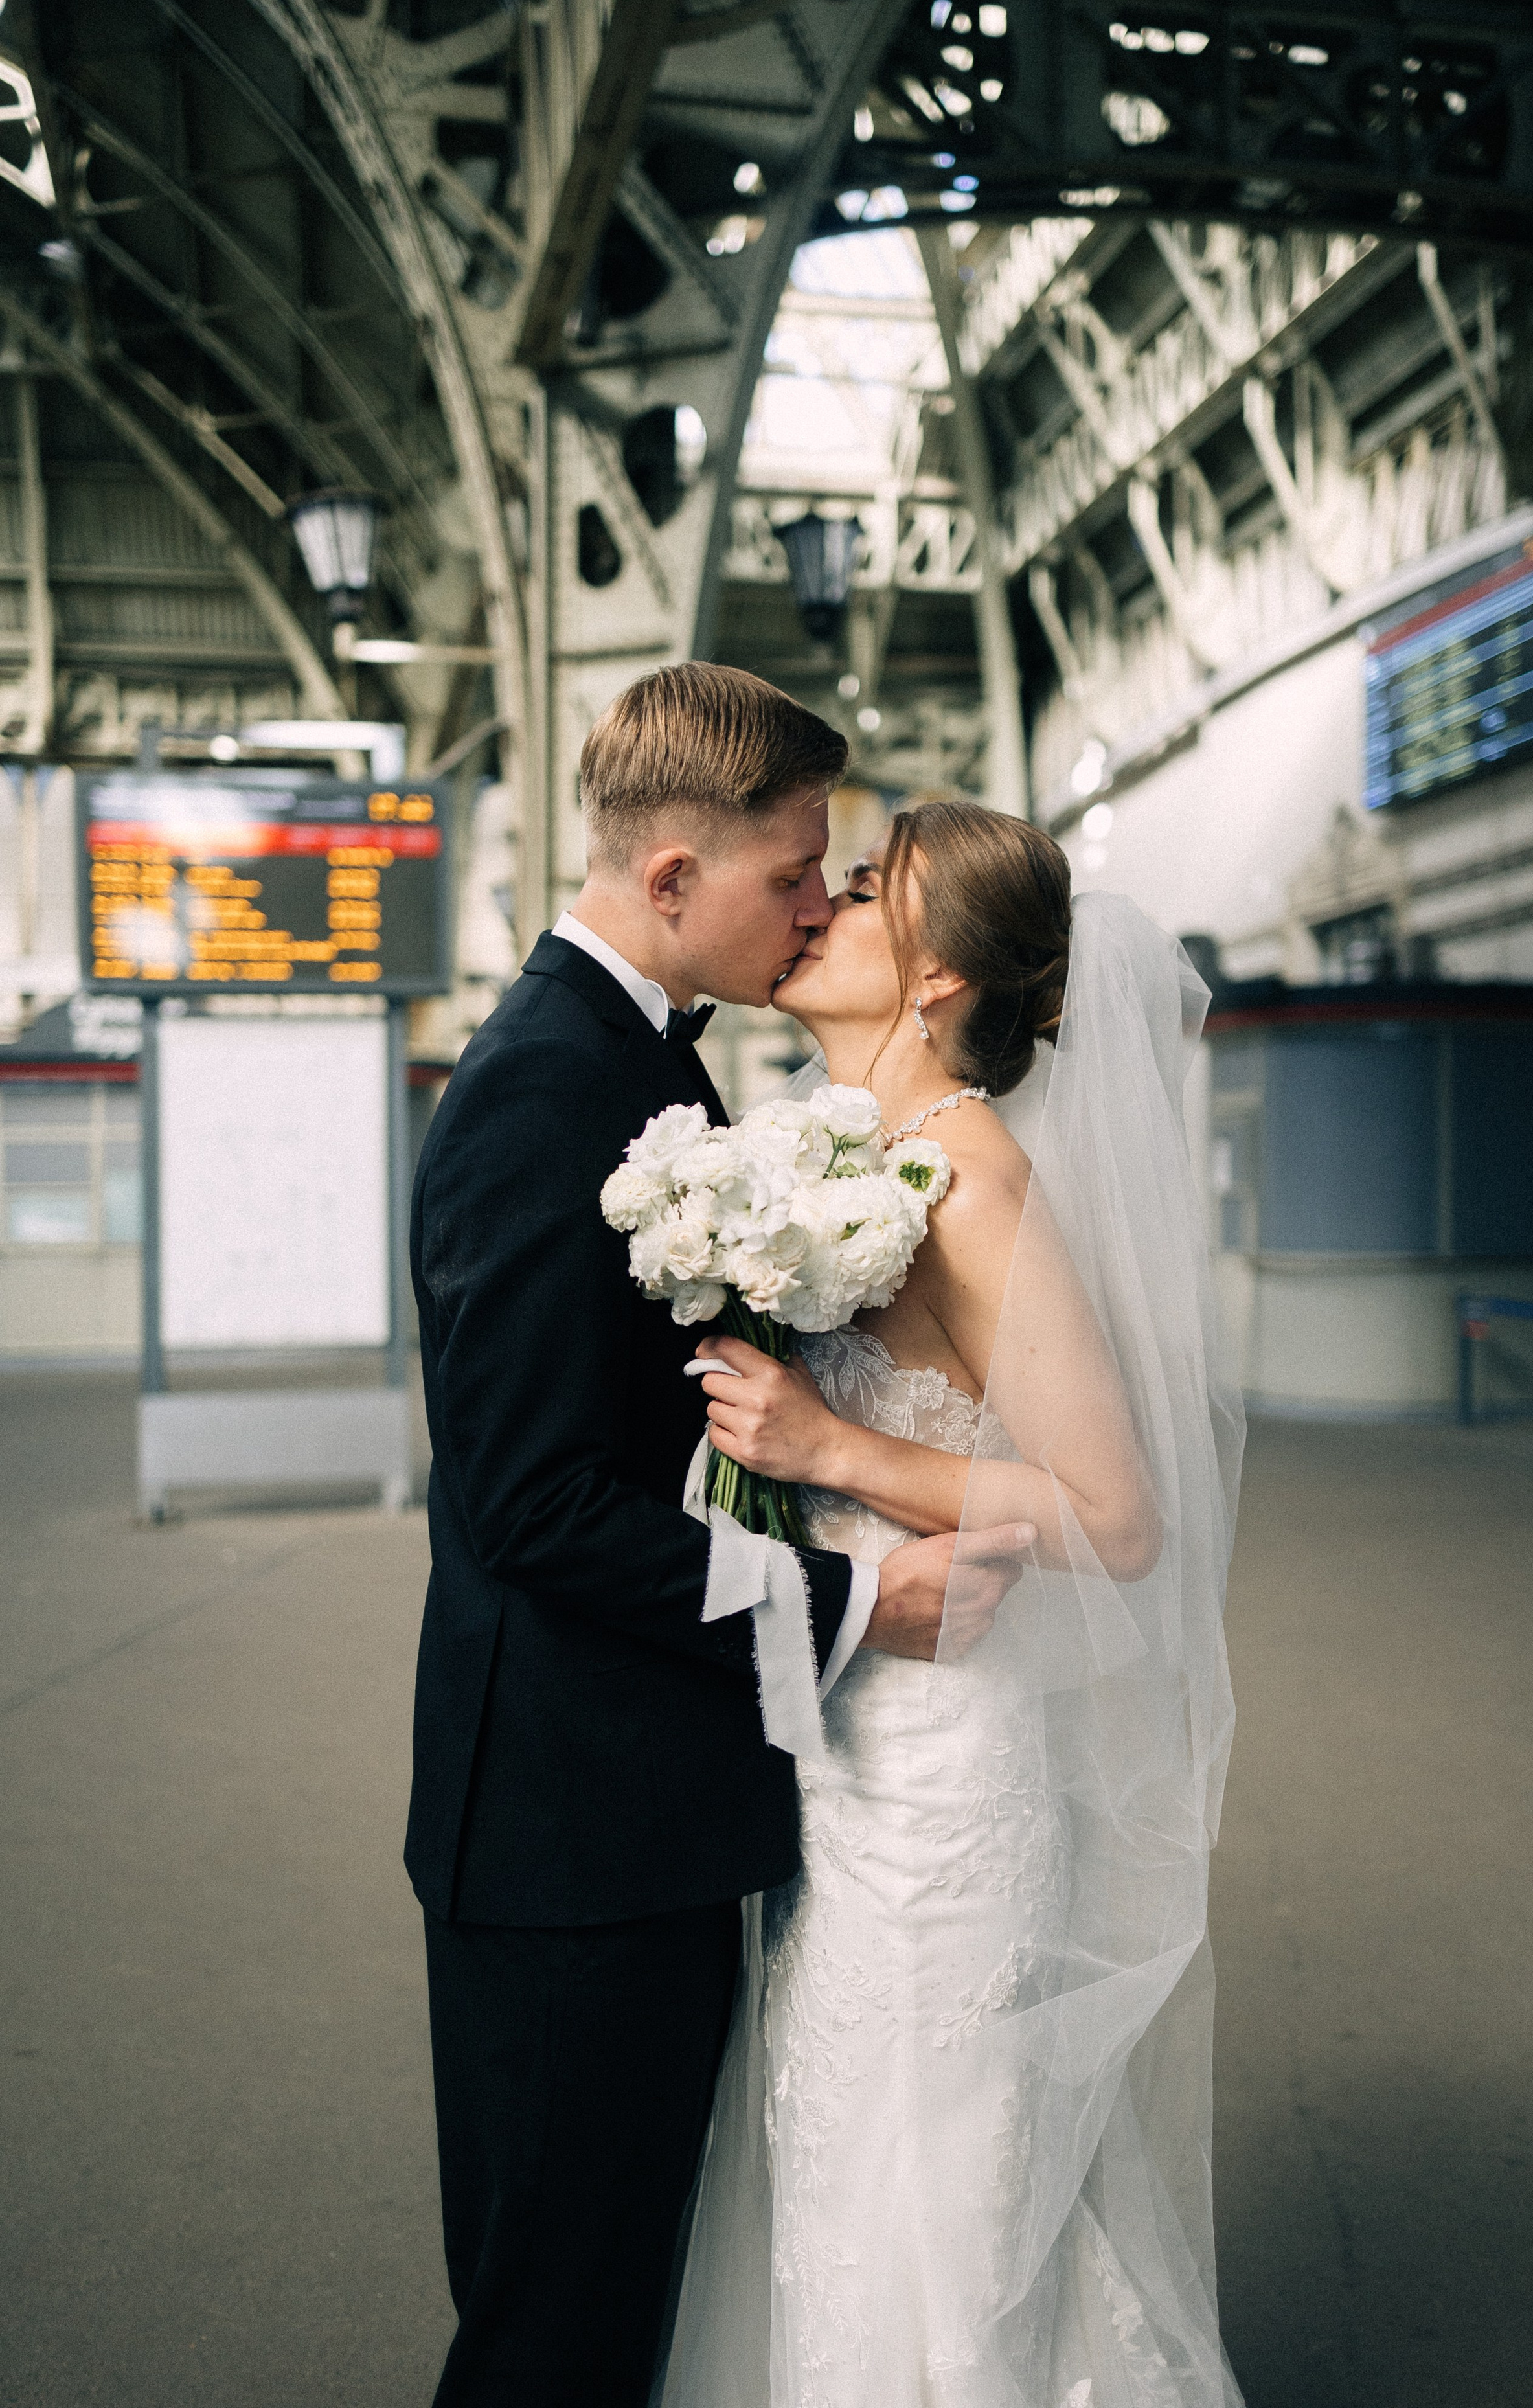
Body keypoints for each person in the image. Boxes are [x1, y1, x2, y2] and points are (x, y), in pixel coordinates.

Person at [403, 668, 1033, 2408]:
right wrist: (845, 1600)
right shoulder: (544, 1093)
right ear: (671, 877)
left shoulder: (633, 1064)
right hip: (567, 1833)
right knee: (557, 2329)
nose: (819, 902)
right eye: (795, 873)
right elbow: (529, 1506)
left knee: (616, 2305)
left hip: (651, 1801)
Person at [663, 802, 1247, 2408]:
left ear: (931, 982)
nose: (817, 909)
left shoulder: (970, 1180)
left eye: (859, 894)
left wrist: (836, 1446)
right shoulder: (820, 1151)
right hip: (837, 1738)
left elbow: (1117, 1517)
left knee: (928, 2185)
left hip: (943, 1771)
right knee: (833, 2152)